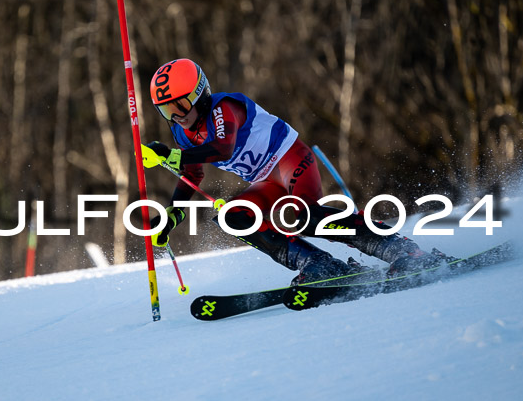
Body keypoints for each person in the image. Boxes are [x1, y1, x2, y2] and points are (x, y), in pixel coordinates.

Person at [145, 58, 446, 285]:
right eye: (167, 111)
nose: (177, 117)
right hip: (265, 180)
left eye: (180, 106)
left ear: (199, 94)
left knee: (306, 216)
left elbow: (222, 149)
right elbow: (192, 174)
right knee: (234, 217)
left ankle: (400, 250)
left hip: (289, 159)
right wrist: (174, 214)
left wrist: (174, 155)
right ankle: (318, 264)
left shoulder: (224, 109)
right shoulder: (184, 134)